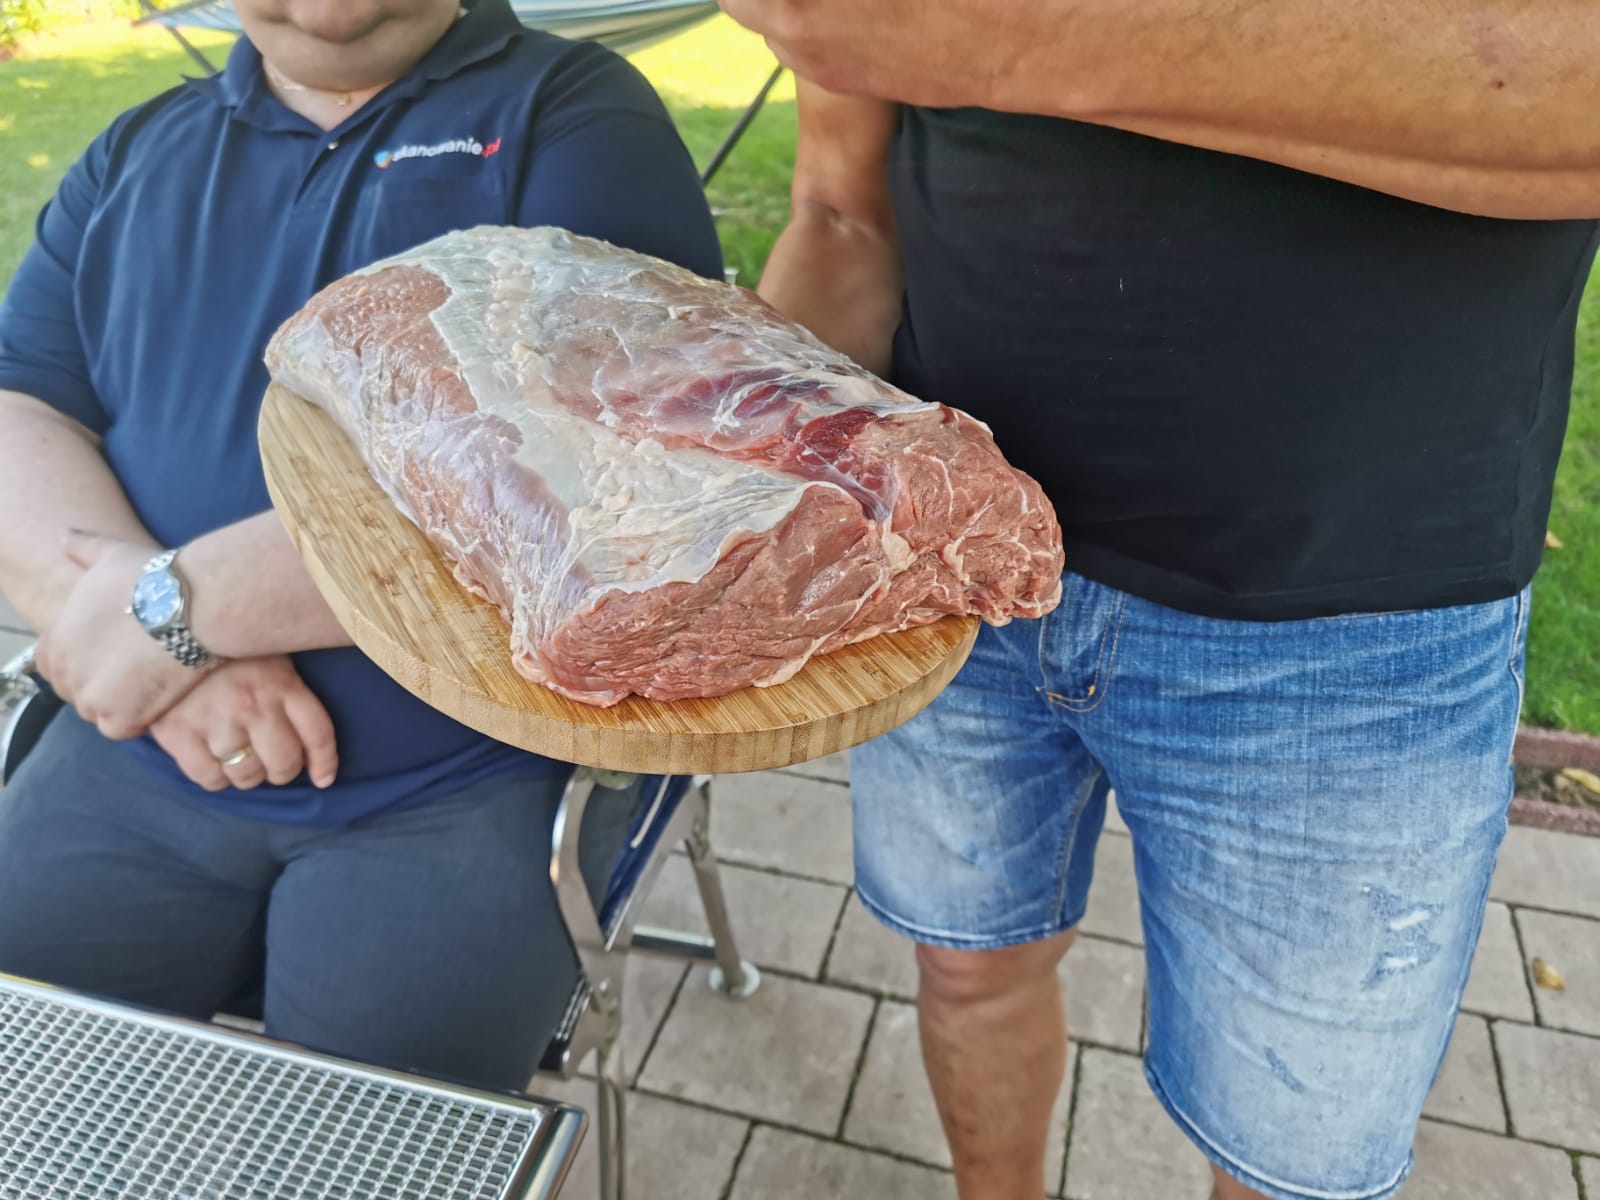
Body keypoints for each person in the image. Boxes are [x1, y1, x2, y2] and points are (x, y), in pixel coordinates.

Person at [723, 2, 1600, 1198]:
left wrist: (1001, 39)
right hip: (949, 565)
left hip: (1352, 632)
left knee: (1285, 1144)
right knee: (967, 968)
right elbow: (840, 211)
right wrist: (727, 507)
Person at [0, 0, 721, 1092]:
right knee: (38, 1103)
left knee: (370, 1147)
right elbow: (19, 409)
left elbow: (598, 476)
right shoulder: (138, 148)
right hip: (145, 742)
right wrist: (170, 654)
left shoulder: (572, 113)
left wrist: (180, 612)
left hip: (464, 778)